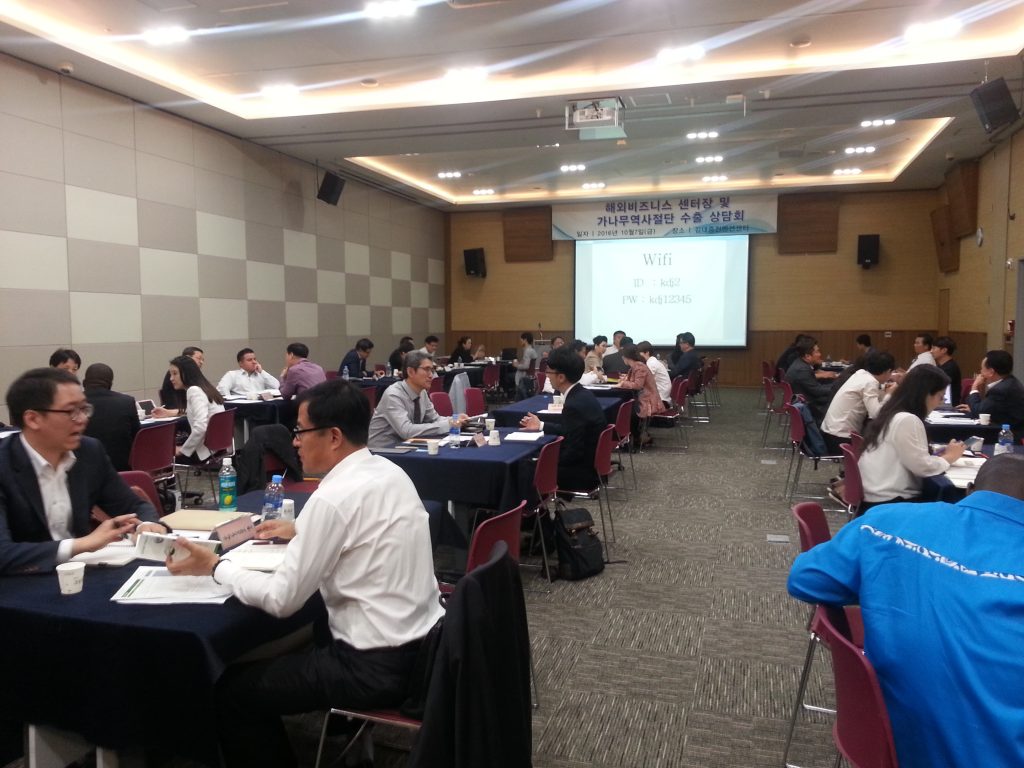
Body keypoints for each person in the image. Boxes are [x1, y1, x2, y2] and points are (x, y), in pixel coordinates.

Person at [167, 379, 444, 768]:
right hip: (428, 650)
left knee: (231, 693)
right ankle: (344, 733)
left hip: (373, 668)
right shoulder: (389, 471)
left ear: (333, 436)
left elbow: (281, 600)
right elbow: (364, 531)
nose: (294, 442)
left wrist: (216, 567)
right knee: (311, 631)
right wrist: (302, 529)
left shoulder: (332, 498)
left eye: (299, 431)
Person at [787, 453, 1024, 768]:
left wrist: (887, 582)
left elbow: (804, 579)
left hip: (884, 737)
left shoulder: (885, 523)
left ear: (968, 491)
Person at [0, 368, 164, 575]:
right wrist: (81, 544)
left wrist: (145, 526)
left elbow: (133, 505)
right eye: (71, 411)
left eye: (84, 409)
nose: (83, 419)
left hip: (80, 574)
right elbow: (3, 553)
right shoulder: (5, 464)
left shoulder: (89, 452)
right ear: (33, 419)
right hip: (19, 582)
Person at [858, 364, 963, 510]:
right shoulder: (907, 419)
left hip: (876, 496)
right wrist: (950, 457)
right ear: (926, 394)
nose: (940, 402)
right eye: (940, 396)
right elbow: (921, 467)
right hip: (891, 502)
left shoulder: (892, 412)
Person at [519, 346, 608, 491]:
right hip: (592, 465)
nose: (547, 376)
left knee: (521, 467)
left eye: (549, 372)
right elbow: (571, 430)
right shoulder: (583, 394)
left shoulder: (573, 405)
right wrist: (541, 425)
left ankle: (533, 505)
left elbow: (573, 452)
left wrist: (542, 460)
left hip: (580, 473)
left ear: (561, 377)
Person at [367, 351, 468, 448]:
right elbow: (406, 431)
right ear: (410, 372)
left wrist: (456, 419)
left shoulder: (422, 392)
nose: (431, 375)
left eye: (432, 370)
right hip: (382, 450)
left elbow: (435, 419)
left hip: (406, 446)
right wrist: (449, 424)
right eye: (426, 369)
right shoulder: (393, 395)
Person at [820, 350, 896, 454]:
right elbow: (876, 414)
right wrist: (889, 395)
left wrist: (884, 390)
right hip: (840, 439)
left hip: (829, 432)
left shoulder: (861, 373)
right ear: (888, 371)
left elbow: (871, 394)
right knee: (881, 448)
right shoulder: (870, 382)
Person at [156, 355, 225, 464]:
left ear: (186, 373)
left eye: (175, 373)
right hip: (218, 447)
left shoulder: (194, 391)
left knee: (158, 451)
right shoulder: (205, 388)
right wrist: (168, 413)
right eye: (170, 374)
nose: (171, 378)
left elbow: (201, 427)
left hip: (204, 452)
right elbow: (196, 411)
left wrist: (182, 450)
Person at [82, 363, 140, 472]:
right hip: (123, 470)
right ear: (110, 383)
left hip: (85, 471)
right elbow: (137, 436)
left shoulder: (75, 404)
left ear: (84, 382)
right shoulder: (127, 402)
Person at [957, 349, 1024, 440]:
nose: (980, 372)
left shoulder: (1000, 390)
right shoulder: (1010, 382)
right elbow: (989, 408)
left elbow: (979, 412)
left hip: (1008, 437)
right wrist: (974, 407)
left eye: (982, 369)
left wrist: (974, 386)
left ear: (991, 372)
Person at [784, 337, 838, 424]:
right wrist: (838, 387)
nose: (820, 354)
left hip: (805, 401)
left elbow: (816, 387)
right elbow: (817, 390)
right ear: (807, 356)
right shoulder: (802, 369)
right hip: (809, 406)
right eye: (817, 352)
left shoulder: (801, 364)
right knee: (838, 400)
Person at [618, 343, 661, 447]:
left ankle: (633, 438)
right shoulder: (637, 366)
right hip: (644, 399)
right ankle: (633, 438)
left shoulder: (639, 367)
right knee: (626, 408)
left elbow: (637, 385)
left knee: (626, 411)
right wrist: (626, 381)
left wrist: (623, 383)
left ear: (626, 357)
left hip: (648, 402)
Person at [159, 345, 204, 411]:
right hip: (176, 407)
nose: (201, 362)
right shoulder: (176, 373)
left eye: (203, 360)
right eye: (199, 358)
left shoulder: (195, 390)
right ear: (187, 358)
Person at [931, 336, 962, 406]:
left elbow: (936, 386)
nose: (931, 351)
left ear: (944, 350)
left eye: (934, 348)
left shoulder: (951, 368)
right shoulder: (940, 366)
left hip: (948, 406)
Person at [513, 331, 539, 400]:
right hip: (529, 376)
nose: (520, 342)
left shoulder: (528, 351)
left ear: (525, 340)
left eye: (521, 340)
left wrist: (516, 365)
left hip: (523, 377)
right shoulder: (531, 350)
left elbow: (526, 366)